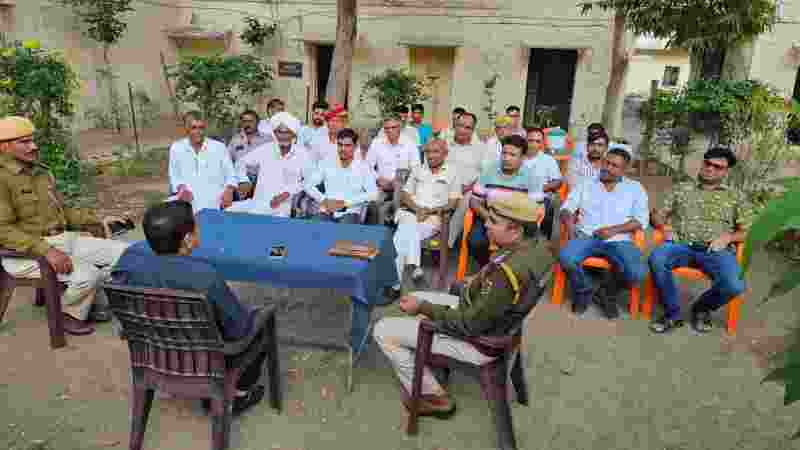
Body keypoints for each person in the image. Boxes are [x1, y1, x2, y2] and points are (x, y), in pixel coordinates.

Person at [374, 191, 551, 417]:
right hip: (497, 321)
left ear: (516, 230)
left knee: (383, 330)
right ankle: (432, 360)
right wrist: (478, 281)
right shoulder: (539, 247)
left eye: (493, 221)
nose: (485, 224)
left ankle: (434, 397)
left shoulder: (506, 275)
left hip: (480, 342)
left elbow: (469, 324)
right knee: (419, 296)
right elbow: (500, 291)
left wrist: (423, 308)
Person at [111, 201, 272, 415]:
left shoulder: (126, 264)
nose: (199, 230)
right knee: (261, 324)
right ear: (187, 239)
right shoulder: (204, 277)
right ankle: (238, 395)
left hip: (153, 354)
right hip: (204, 361)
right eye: (197, 227)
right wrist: (254, 316)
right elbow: (238, 330)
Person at [0, 116, 130, 335]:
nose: (34, 146)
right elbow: (3, 229)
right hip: (26, 252)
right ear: (4, 147)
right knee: (88, 274)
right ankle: (69, 313)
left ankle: (94, 300)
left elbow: (64, 211)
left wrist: (97, 220)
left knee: (128, 254)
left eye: (32, 140)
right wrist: (46, 250)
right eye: (24, 142)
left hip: (63, 239)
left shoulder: (41, 172)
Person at [649, 147, 752, 334]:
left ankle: (701, 309)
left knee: (735, 284)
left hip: (716, 251)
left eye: (717, 167)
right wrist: (664, 227)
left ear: (726, 171)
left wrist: (729, 237)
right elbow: (657, 214)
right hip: (680, 244)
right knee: (657, 258)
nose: (710, 168)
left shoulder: (736, 196)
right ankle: (672, 313)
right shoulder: (681, 188)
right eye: (708, 163)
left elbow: (749, 231)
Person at [559, 147, 649, 319]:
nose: (607, 167)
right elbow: (567, 208)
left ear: (624, 170)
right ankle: (583, 290)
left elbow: (641, 220)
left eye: (614, 166)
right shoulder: (586, 183)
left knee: (638, 272)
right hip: (587, 235)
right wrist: (569, 225)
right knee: (566, 258)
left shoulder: (635, 188)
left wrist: (613, 230)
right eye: (606, 163)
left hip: (619, 239)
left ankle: (607, 293)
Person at [387, 139, 460, 300]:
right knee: (408, 228)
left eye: (435, 152)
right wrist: (417, 209)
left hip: (432, 219)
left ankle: (396, 285)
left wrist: (430, 211)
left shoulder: (453, 172)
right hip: (410, 213)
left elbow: (453, 203)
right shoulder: (418, 170)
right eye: (428, 152)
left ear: (445, 154)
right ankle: (415, 270)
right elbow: (405, 195)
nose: (430, 155)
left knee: (401, 236)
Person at [469, 135, 545, 267]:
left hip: (518, 221)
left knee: (532, 244)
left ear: (522, 158)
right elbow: (474, 201)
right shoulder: (490, 170)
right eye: (504, 153)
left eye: (512, 155)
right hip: (489, 216)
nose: (506, 158)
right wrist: (490, 218)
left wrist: (515, 223)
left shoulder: (531, 176)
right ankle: (488, 268)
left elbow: (537, 209)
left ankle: (512, 270)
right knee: (475, 242)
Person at [227, 112, 312, 217]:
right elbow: (241, 162)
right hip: (257, 204)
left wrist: (288, 193)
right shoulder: (266, 149)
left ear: (293, 134)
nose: (283, 136)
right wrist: (244, 180)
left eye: (287, 132)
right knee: (227, 211)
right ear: (275, 133)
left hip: (281, 208)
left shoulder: (302, 154)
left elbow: (309, 180)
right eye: (279, 132)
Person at [168, 111, 242, 213]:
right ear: (186, 128)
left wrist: (229, 191)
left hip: (216, 205)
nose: (198, 132)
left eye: (201, 128)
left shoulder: (219, 147)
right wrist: (182, 189)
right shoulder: (176, 148)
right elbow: (174, 175)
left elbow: (231, 174)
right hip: (188, 205)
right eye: (194, 128)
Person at [304, 128, 378, 224]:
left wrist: (345, 203)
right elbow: (307, 185)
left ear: (355, 146)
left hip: (350, 212)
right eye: (340, 145)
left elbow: (373, 194)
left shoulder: (363, 167)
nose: (343, 149)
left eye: (347, 145)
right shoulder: (326, 163)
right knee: (315, 226)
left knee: (344, 227)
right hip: (326, 211)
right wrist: (324, 200)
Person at [367, 115, 422, 224]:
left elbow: (416, 169)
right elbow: (367, 167)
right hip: (382, 185)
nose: (390, 131)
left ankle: (394, 217)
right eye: (387, 128)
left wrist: (401, 182)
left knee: (400, 176)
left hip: (403, 186)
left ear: (400, 127)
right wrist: (378, 179)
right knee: (373, 203)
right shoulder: (377, 143)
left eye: (393, 127)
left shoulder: (410, 144)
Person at [445, 112, 486, 248]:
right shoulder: (444, 144)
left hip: (467, 190)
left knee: (466, 201)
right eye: (460, 125)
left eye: (468, 128)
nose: (463, 130)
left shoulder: (481, 148)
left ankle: (447, 243)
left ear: (473, 130)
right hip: (443, 186)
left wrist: (467, 187)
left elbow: (484, 176)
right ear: (455, 126)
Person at [524, 127, 563, 238]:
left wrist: (540, 188)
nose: (534, 145)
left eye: (538, 141)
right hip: (518, 196)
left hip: (540, 198)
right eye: (531, 140)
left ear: (542, 143)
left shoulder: (548, 160)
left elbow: (558, 181)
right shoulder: (517, 157)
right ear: (525, 140)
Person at [228, 110, 273, 187]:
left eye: (250, 121)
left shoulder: (267, 140)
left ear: (258, 122)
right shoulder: (235, 140)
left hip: (261, 180)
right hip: (240, 181)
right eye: (244, 121)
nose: (247, 124)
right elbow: (228, 161)